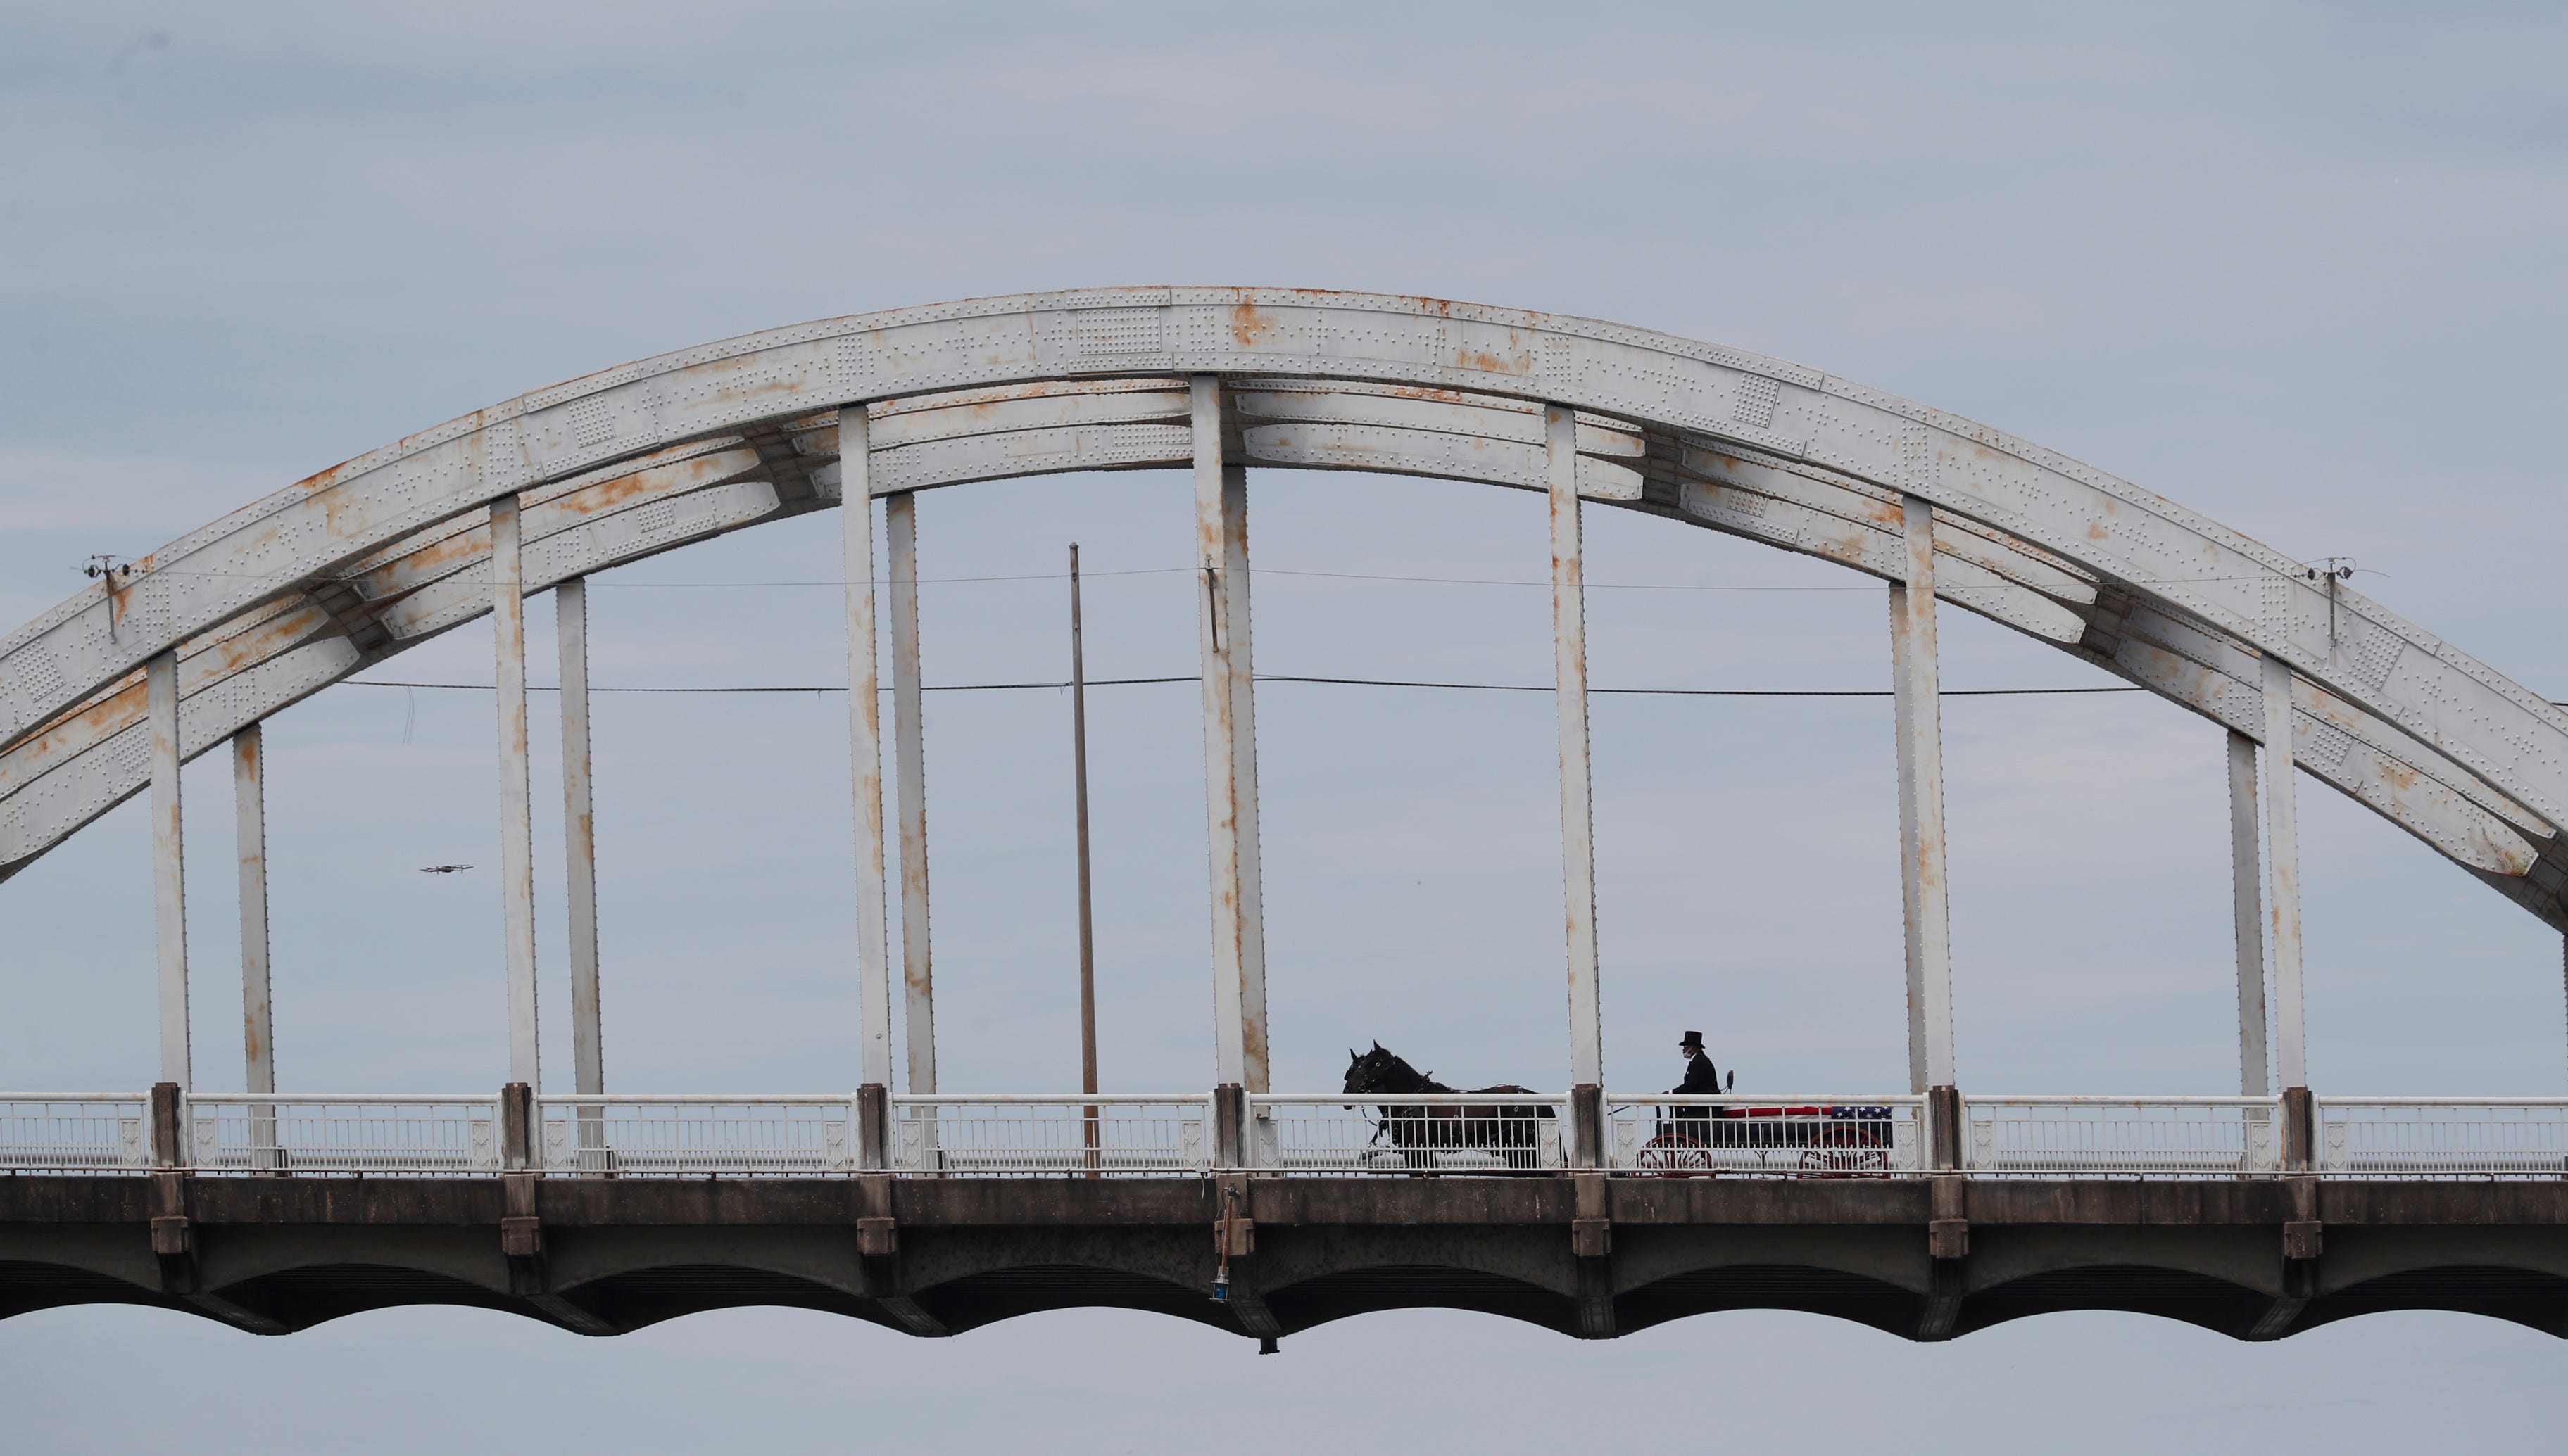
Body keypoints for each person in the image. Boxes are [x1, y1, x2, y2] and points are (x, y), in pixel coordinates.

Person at [1664, 1030, 1724, 1147]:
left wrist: (1671, 1093)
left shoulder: (1699, 1062)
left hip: (1704, 1106)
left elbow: (1690, 1085)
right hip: (1703, 1102)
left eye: (1685, 1046)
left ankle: (1676, 1130)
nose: (1683, 1049)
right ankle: (1676, 1128)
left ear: (1693, 1048)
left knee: (1675, 1102)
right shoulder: (1698, 1060)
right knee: (1676, 1103)